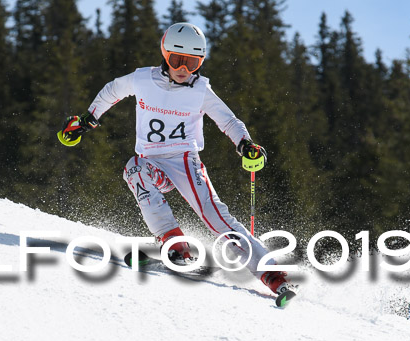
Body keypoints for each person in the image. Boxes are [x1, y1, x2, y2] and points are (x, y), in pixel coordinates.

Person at [57, 22, 292, 297]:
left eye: (191, 63)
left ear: (200, 62)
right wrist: (89, 118)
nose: (183, 70)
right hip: (153, 164)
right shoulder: (143, 79)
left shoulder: (200, 90)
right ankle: (173, 244)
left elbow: (227, 120)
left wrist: (245, 143)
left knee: (214, 215)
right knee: (134, 170)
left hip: (184, 162)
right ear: (164, 54)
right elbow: (112, 90)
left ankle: (272, 274)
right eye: (177, 60)